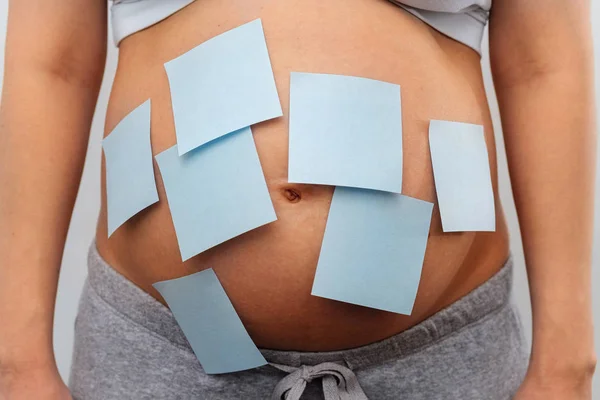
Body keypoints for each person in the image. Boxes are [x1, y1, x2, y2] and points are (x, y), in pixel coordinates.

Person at [0, 0, 596, 399]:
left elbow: (543, 68)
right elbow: (52, 66)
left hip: (434, 353)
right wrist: (16, 358)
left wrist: (566, 362)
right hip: (167, 343)